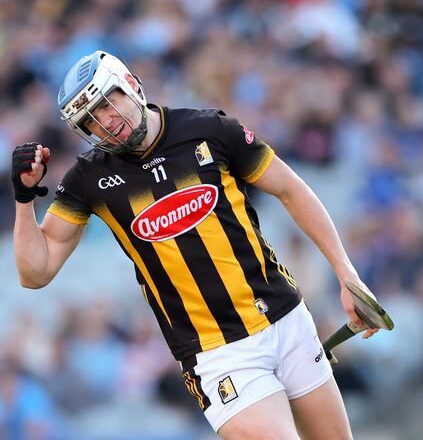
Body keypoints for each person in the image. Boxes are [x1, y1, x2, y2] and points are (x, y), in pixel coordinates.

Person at [12, 50, 379, 439]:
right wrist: (23, 198)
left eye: (108, 103)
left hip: (287, 319)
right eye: (91, 120)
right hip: (217, 353)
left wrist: (346, 274)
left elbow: (292, 190)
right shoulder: (89, 179)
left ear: (132, 85)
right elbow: (36, 272)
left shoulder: (208, 129)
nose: (106, 121)